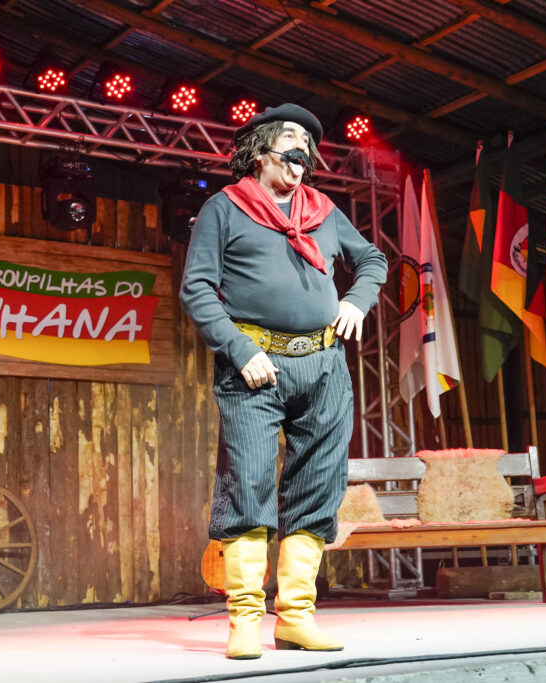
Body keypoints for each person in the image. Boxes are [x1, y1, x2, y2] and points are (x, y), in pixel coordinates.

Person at [179, 103, 387, 659]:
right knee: (248, 485)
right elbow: (197, 289)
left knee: (317, 488)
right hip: (256, 368)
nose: (301, 154)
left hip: (324, 366)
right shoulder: (225, 208)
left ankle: (296, 617)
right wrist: (240, 349)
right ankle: (245, 619)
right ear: (260, 150)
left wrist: (356, 301)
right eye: (290, 142)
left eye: (307, 149)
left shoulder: (324, 211)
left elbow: (373, 260)